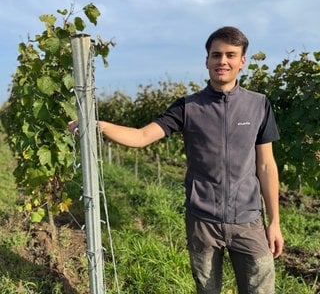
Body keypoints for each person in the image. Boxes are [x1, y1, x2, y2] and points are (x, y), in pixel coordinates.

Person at [68, 26, 284, 294]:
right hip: (202, 221)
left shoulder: (259, 105)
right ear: (207, 61)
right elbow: (142, 135)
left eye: (230, 55)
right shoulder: (187, 107)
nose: (222, 61)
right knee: (207, 290)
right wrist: (96, 124)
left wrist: (273, 222)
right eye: (216, 55)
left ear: (242, 61)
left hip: (248, 220)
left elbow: (266, 165)